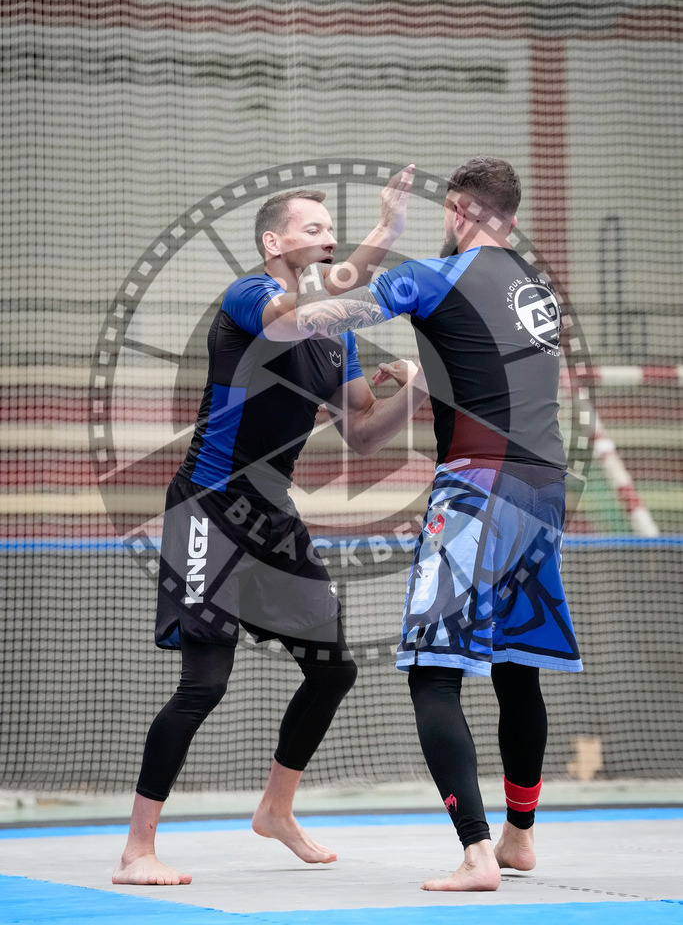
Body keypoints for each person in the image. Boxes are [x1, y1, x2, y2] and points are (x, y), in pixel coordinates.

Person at [113, 166, 427, 886]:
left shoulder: (336, 338)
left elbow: (364, 437)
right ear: (272, 240)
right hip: (209, 505)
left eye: (330, 229)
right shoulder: (250, 296)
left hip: (272, 518)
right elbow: (294, 317)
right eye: (311, 228)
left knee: (333, 669)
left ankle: (275, 810)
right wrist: (385, 235)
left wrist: (414, 390)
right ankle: (136, 850)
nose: (325, 238)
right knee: (204, 684)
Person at [295, 155, 583, 892]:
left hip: (476, 491)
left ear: (456, 210)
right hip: (542, 489)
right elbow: (485, 365)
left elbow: (318, 312)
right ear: (509, 214)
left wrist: (379, 233)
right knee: (517, 667)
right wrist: (424, 377)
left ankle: (475, 853)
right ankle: (518, 837)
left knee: (432, 673)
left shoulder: (435, 274)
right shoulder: (533, 285)